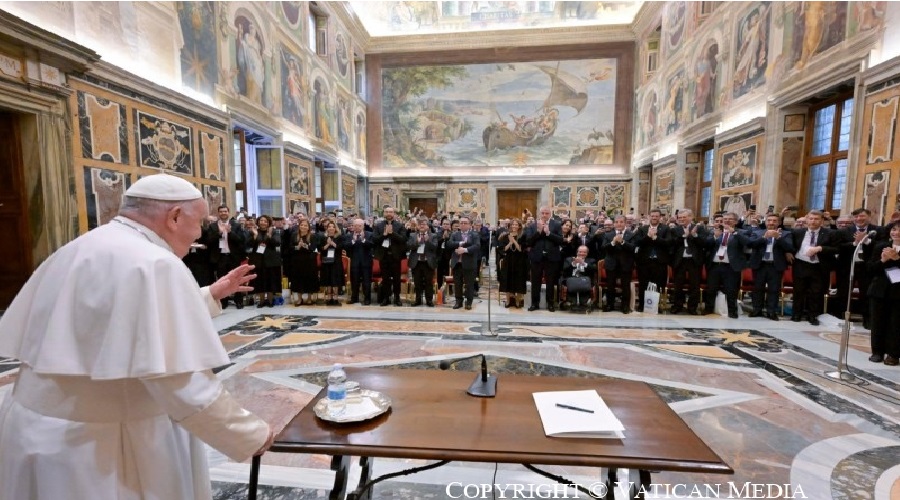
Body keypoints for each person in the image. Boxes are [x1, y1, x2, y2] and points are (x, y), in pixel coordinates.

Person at [0, 174, 274, 499]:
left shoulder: (83, 246)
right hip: (102, 449)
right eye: (200, 221)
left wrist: (209, 294)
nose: (201, 233)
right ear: (174, 217)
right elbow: (181, 383)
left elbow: (110, 317)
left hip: (36, 432)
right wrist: (249, 434)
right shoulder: (157, 263)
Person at [866, 222, 900, 366]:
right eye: (894, 229)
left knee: (895, 323)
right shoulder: (881, 246)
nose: (896, 233)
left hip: (898, 292)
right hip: (879, 290)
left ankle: (893, 354)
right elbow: (870, 269)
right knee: (877, 322)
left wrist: (897, 259)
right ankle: (877, 352)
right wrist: (883, 260)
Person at [525, 206, 563, 312]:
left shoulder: (557, 224)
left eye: (547, 213)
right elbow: (528, 242)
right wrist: (538, 232)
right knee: (535, 281)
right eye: (543, 213)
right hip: (537, 257)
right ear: (539, 213)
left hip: (551, 257)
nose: (544, 215)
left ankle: (550, 303)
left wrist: (548, 233)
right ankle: (534, 303)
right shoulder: (532, 226)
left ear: (550, 213)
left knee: (550, 281)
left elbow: (560, 240)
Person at [449, 216, 480, 310]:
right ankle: (458, 301)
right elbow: (450, 244)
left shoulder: (474, 234)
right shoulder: (455, 234)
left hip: (469, 263)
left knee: (469, 284)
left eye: (465, 223)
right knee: (457, 283)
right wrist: (460, 244)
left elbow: (477, 246)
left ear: (470, 225)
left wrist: (465, 250)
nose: (462, 224)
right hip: (457, 263)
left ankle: (469, 302)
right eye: (461, 223)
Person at [407, 217, 438, 307]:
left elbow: (435, 247)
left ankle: (429, 300)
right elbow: (409, 246)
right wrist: (417, 242)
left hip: (428, 262)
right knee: (417, 282)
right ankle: (418, 300)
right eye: (420, 224)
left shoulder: (433, 236)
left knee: (429, 282)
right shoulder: (413, 235)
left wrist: (428, 241)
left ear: (428, 227)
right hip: (417, 262)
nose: (422, 226)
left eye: (424, 224)